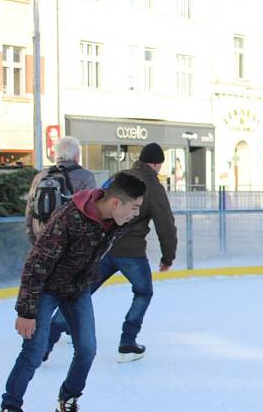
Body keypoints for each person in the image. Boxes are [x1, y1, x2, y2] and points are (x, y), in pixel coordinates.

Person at [0, 172, 146, 412]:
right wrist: (27, 310)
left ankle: (66, 404)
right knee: (34, 352)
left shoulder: (118, 220)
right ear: (116, 202)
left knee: (87, 349)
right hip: (46, 288)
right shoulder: (69, 218)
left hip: (77, 289)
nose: (137, 213)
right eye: (134, 207)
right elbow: (36, 262)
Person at [45, 142, 178, 363]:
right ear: (157, 164)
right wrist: (168, 257)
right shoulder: (153, 186)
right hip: (131, 253)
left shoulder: (120, 176)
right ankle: (127, 342)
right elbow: (166, 224)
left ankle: (48, 339)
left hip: (103, 247)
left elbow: (98, 201)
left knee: (81, 291)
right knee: (143, 293)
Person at [25, 136, 97, 244]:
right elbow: (91, 211)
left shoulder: (41, 176)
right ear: (77, 156)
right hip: (71, 241)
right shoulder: (86, 177)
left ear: (56, 155)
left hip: (42, 238)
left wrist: (33, 238)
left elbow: (30, 210)